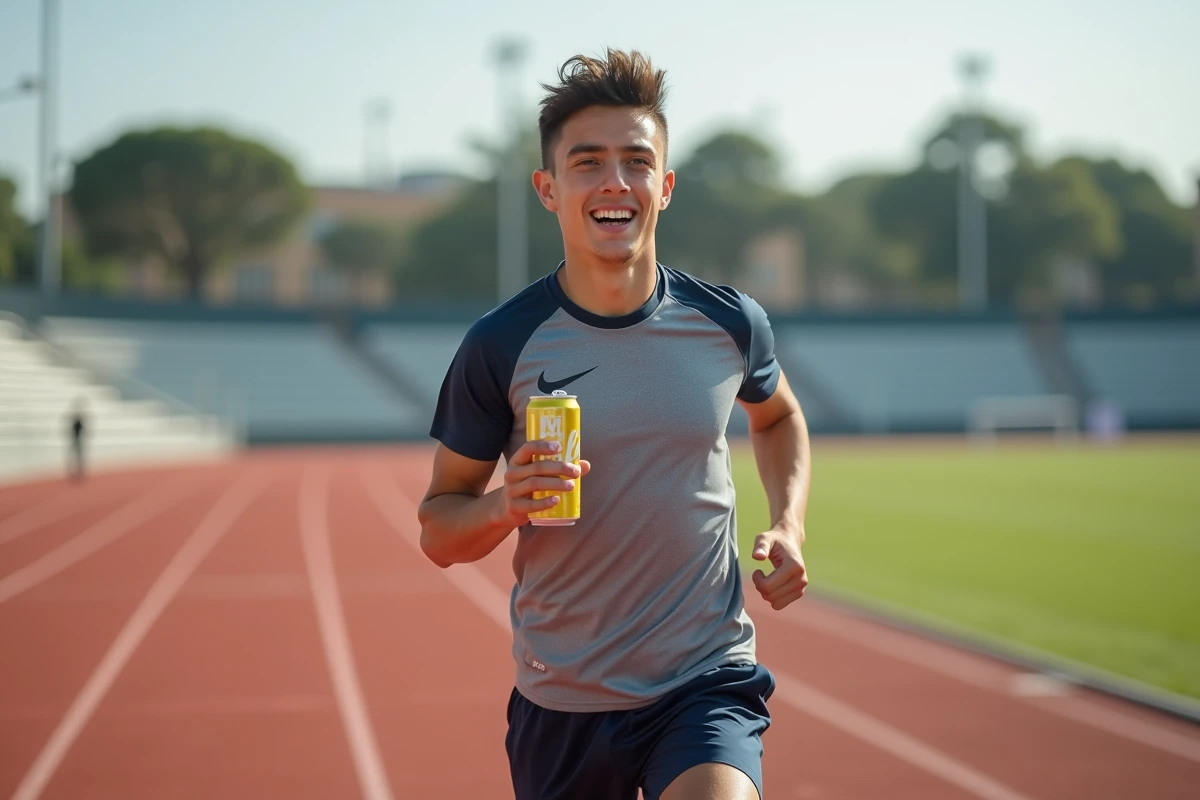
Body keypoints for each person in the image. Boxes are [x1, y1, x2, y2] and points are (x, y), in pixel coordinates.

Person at [418, 48, 811, 800]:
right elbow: (439, 531)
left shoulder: (729, 322)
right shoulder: (500, 344)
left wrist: (789, 523)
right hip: (562, 699)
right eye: (587, 163)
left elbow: (779, 415)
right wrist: (505, 505)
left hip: (703, 680)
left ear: (665, 187)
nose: (615, 182)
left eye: (637, 162)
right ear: (548, 189)